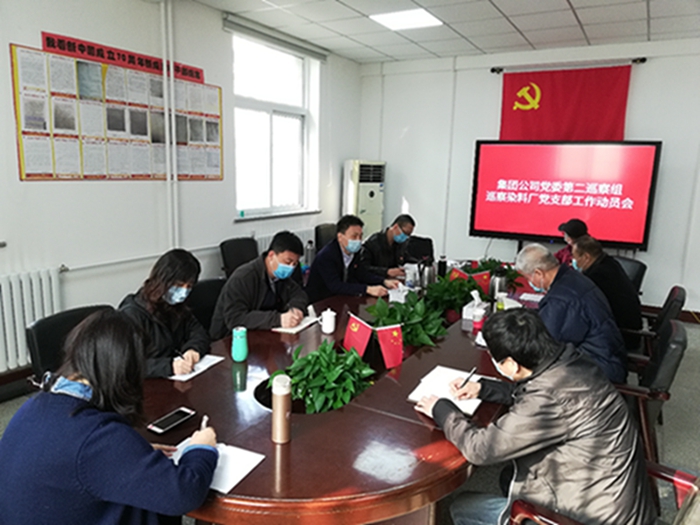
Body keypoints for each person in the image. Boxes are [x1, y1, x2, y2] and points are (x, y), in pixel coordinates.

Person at [414, 309, 654, 525]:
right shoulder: (573, 362)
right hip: (618, 504)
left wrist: (441, 409)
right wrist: (483, 388)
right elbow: (534, 391)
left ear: (511, 364)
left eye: (495, 359)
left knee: (462, 506)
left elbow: (480, 449)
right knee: (508, 477)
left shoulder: (548, 399)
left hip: (586, 517)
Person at [0, 309, 218, 525]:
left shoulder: (33, 406)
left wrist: (131, 454)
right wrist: (201, 448)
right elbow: (183, 494)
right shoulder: (98, 438)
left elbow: (70, 460)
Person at [515, 243, 627, 383]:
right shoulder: (572, 278)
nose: (529, 282)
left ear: (538, 273)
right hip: (607, 358)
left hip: (597, 371)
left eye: (528, 278)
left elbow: (545, 345)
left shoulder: (561, 300)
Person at [120, 249, 210, 378]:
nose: (183, 293)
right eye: (178, 285)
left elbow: (198, 332)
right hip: (149, 384)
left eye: (189, 287)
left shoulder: (175, 306)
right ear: (162, 281)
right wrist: (168, 366)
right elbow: (126, 364)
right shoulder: (132, 314)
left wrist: (193, 349)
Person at [209, 231, 308, 339]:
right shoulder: (243, 278)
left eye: (295, 264)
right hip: (230, 340)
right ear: (271, 255)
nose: (291, 267)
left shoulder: (281, 277)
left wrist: (296, 308)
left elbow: (299, 294)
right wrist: (278, 319)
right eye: (288, 262)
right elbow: (235, 318)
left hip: (261, 333)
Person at [305, 215, 400, 303]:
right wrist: (368, 289)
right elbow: (335, 286)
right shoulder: (326, 256)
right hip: (321, 301)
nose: (358, 240)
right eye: (354, 236)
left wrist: (383, 281)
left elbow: (361, 273)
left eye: (360, 236)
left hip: (343, 297)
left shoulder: (355, 251)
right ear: (340, 237)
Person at [572, 235, 643, 350]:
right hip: (625, 327)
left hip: (621, 335)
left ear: (586, 257)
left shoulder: (598, 276)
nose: (573, 261)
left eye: (575, 257)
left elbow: (583, 307)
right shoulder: (609, 262)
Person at [361, 214, 415, 278]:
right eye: (405, 233)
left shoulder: (400, 245)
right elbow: (364, 268)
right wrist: (386, 272)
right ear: (395, 227)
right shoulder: (373, 243)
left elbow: (405, 258)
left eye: (408, 235)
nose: (405, 237)